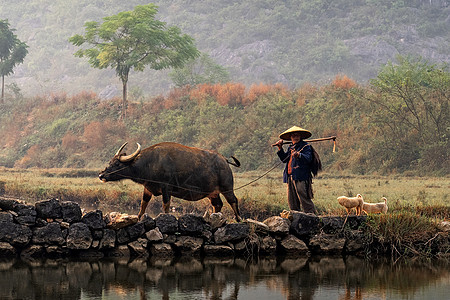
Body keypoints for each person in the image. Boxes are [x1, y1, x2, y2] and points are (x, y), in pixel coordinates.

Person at [274, 126, 317, 214]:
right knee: (292, 199)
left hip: (301, 176)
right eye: (293, 136)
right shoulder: (291, 147)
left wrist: (299, 155)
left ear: (300, 136)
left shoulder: (305, 146)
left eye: (297, 135)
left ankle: (311, 215)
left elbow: (308, 158)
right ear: (291, 137)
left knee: (303, 197)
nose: (295, 137)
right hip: (290, 176)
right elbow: (284, 159)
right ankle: (295, 216)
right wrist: (280, 148)